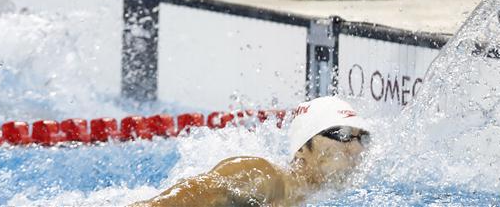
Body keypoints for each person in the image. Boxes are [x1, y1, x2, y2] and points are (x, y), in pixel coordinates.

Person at [130, 96, 370, 206]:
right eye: (342, 135)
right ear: (302, 149)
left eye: (362, 138)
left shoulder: (313, 196)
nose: (356, 148)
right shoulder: (264, 175)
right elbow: (205, 188)